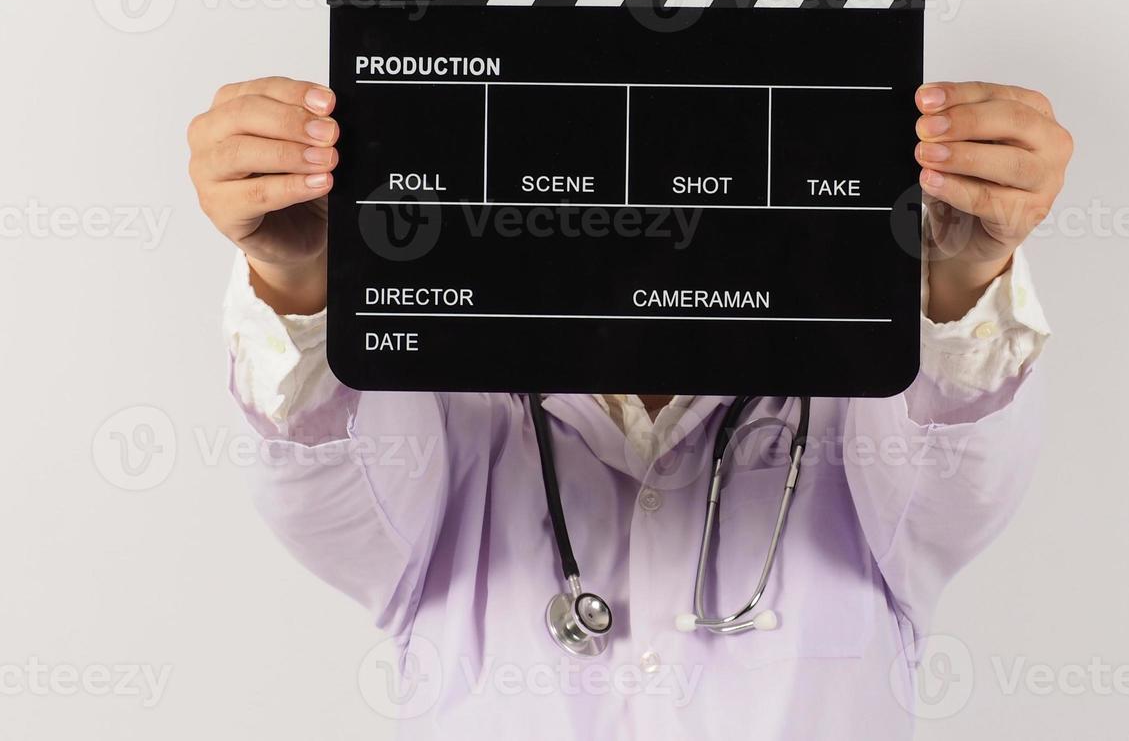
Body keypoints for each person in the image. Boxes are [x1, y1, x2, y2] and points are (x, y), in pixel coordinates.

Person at [185, 76, 1074, 738]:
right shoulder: (452, 406)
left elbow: (957, 449)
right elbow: (320, 462)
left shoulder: (853, 403)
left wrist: (960, 274)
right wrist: (301, 277)